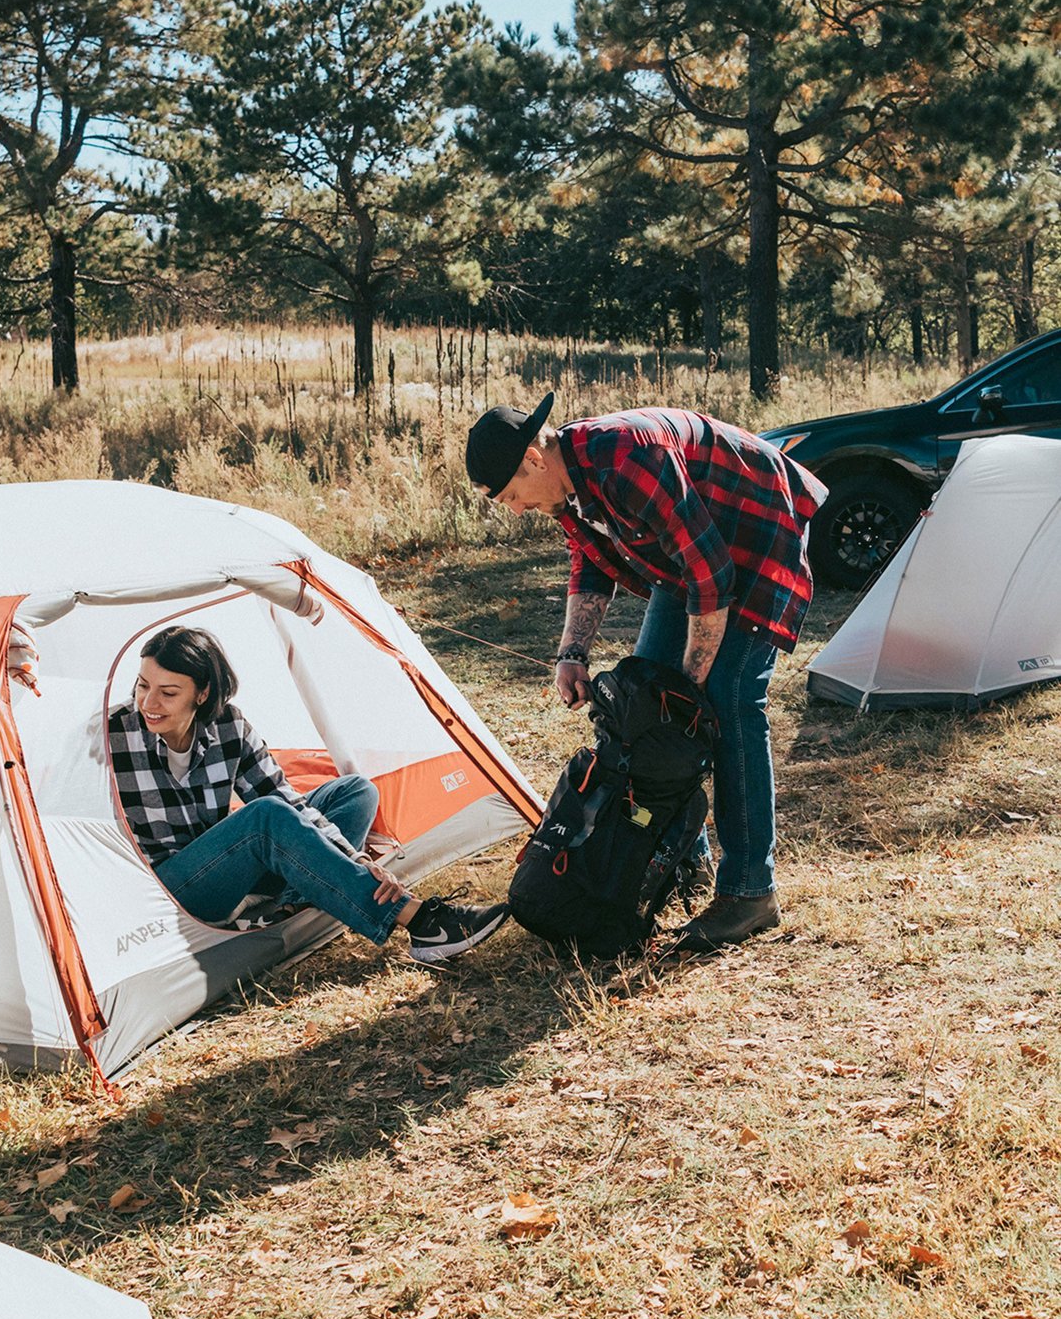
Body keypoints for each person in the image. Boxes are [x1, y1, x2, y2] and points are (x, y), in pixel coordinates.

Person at [464, 396, 827, 952]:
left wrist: (692, 683)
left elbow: (712, 575)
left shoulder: (628, 456)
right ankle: (683, 857)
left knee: (725, 701)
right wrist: (572, 652)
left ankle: (751, 891)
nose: (514, 509)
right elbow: (589, 559)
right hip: (688, 555)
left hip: (756, 532)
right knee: (646, 710)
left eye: (510, 495)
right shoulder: (566, 486)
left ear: (534, 458)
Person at [105, 625, 509, 963]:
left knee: (356, 792)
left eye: (168, 692)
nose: (148, 703)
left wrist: (358, 860)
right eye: (142, 685)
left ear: (203, 693)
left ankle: (299, 897)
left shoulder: (229, 725)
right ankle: (420, 922)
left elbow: (284, 797)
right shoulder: (110, 736)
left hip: (229, 869)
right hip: (169, 891)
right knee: (266, 819)